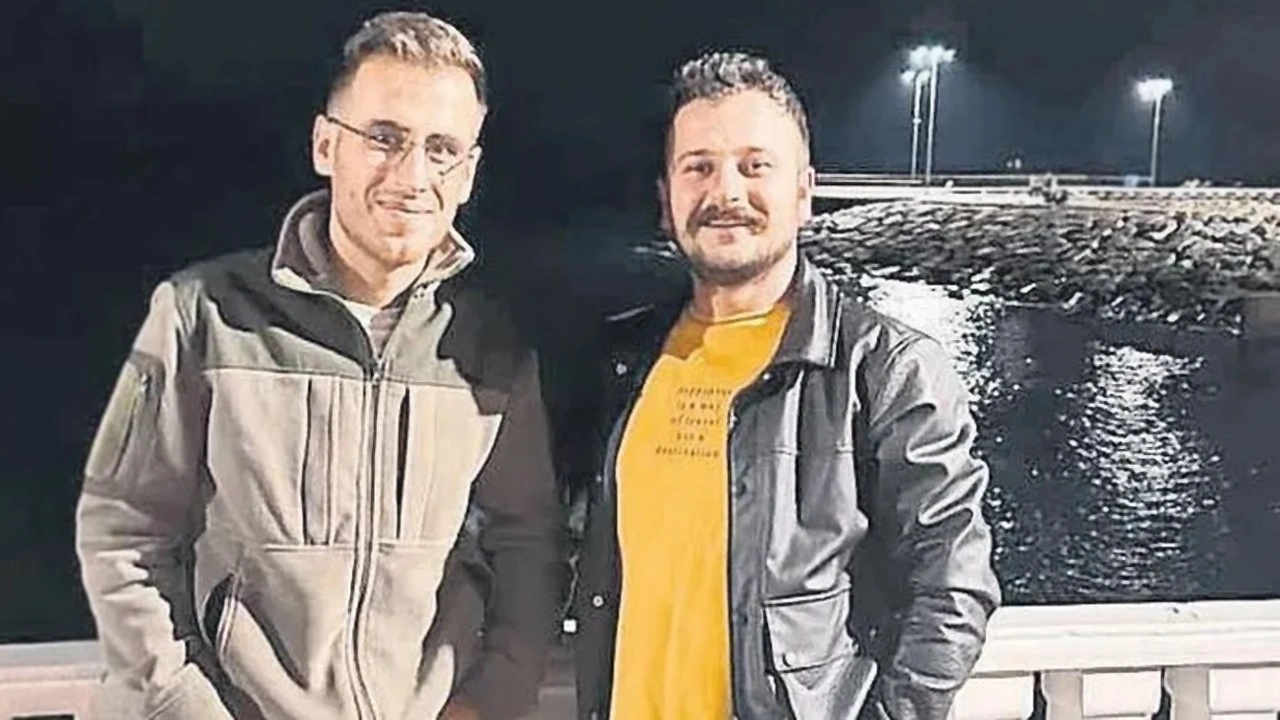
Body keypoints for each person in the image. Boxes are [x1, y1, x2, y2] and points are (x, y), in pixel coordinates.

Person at [74, 11, 562, 720]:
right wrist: (184, 704)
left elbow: (529, 545)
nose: (411, 175)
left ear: (468, 174)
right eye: (384, 139)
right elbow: (124, 533)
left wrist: (489, 701)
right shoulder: (204, 316)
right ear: (325, 144)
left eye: (442, 149)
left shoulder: (489, 351)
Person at [568, 50, 1001, 720]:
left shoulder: (884, 368)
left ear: (804, 193)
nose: (726, 192)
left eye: (755, 166)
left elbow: (953, 583)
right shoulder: (621, 362)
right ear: (666, 201)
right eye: (698, 167)